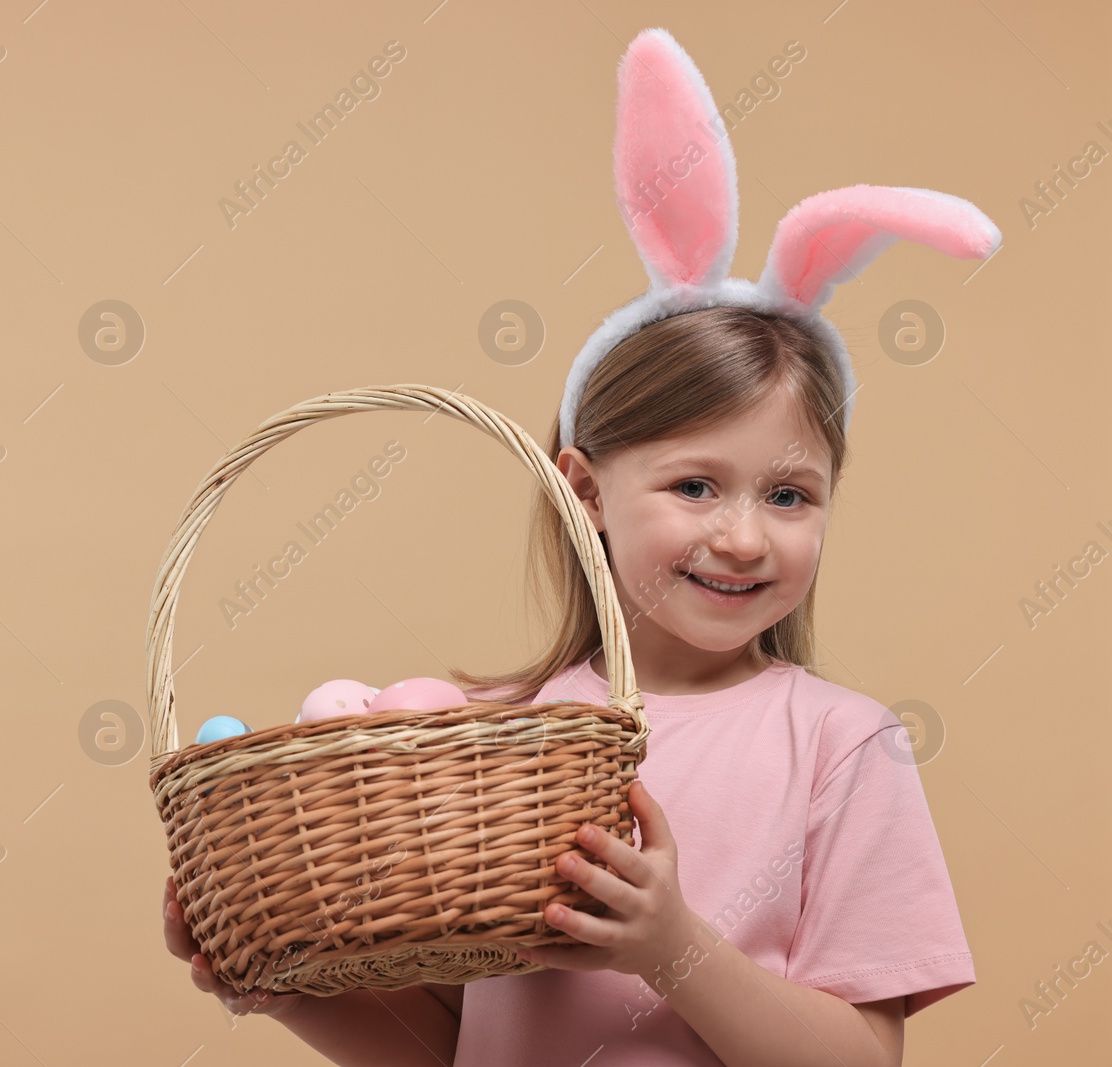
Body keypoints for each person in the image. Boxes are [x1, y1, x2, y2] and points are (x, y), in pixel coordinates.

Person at [164, 26, 995, 1066]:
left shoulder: (842, 746)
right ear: (586, 490)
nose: (742, 535)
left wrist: (673, 946)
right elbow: (453, 1046)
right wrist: (275, 988)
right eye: (694, 485)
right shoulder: (506, 739)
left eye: (788, 494)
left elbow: (862, 1060)